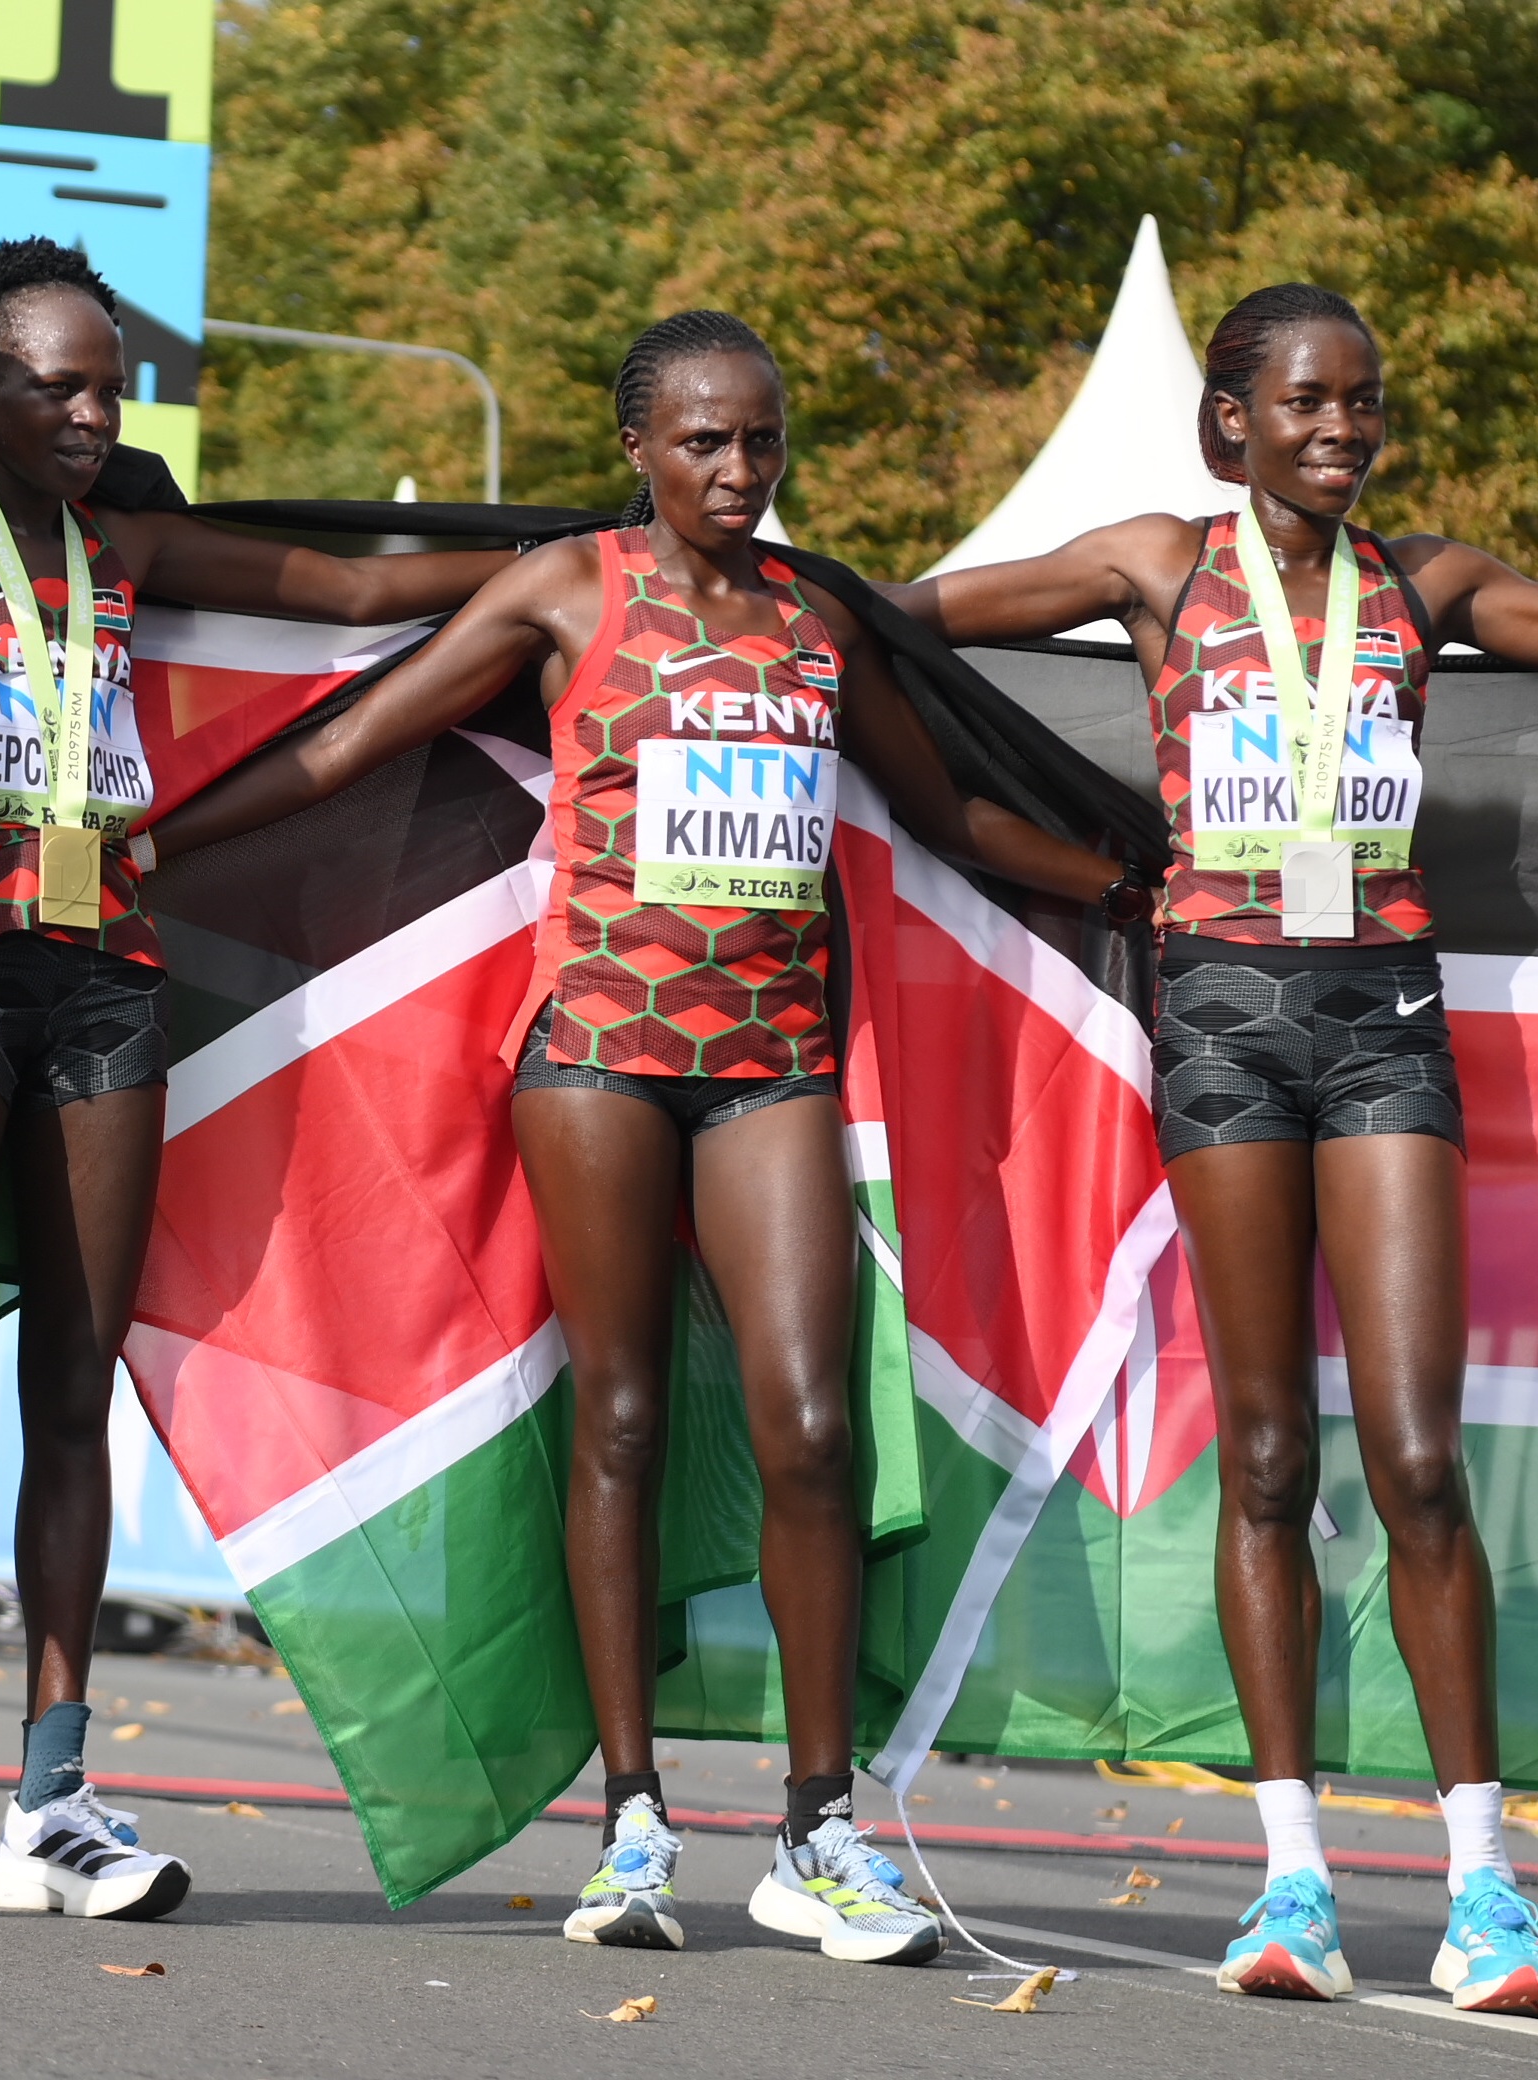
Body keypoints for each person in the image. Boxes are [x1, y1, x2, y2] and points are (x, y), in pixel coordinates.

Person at [148, 309, 1140, 1960]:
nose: (739, 471)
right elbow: (351, 742)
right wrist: (155, 849)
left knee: (814, 1427)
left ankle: (819, 1831)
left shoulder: (823, 612)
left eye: (761, 440)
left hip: (775, 1068)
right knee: (617, 1419)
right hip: (597, 1062)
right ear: (638, 450)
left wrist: (1130, 886)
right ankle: (632, 1820)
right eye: (703, 442)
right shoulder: (565, 591)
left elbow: (946, 811)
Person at [0, 238, 520, 1918]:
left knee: (74, 1381)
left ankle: (54, 1804)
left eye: (113, 383)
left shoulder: (126, 543)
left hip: (110, 980)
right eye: (61, 384)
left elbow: (346, 593)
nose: (99, 411)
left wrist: (565, 552)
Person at [882, 282, 1538, 2016]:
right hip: (1224, 1029)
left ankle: (1489, 1890)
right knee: (1261, 1458)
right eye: (1308, 402)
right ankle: (1292, 1883)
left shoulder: (1434, 583)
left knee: (1411, 1458)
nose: (1342, 428)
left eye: (1364, 403)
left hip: (1386, 1025)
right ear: (1228, 423)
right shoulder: (1156, 562)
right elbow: (891, 625)